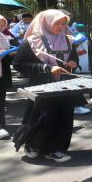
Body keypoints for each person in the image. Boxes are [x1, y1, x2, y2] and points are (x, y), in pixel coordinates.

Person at [12, 9, 79, 162]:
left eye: (64, 23)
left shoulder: (68, 40)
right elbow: (18, 64)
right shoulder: (32, 41)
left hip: (66, 85)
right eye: (58, 23)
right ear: (46, 22)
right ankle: (33, 145)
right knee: (43, 117)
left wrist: (73, 64)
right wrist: (46, 68)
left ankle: (56, 149)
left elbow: (74, 60)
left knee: (64, 117)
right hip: (42, 85)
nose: (61, 27)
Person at [0, 15, 13, 139]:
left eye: (3, 24)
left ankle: (1, 126)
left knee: (1, 100)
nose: (1, 26)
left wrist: (8, 53)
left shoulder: (4, 36)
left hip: (2, 73)